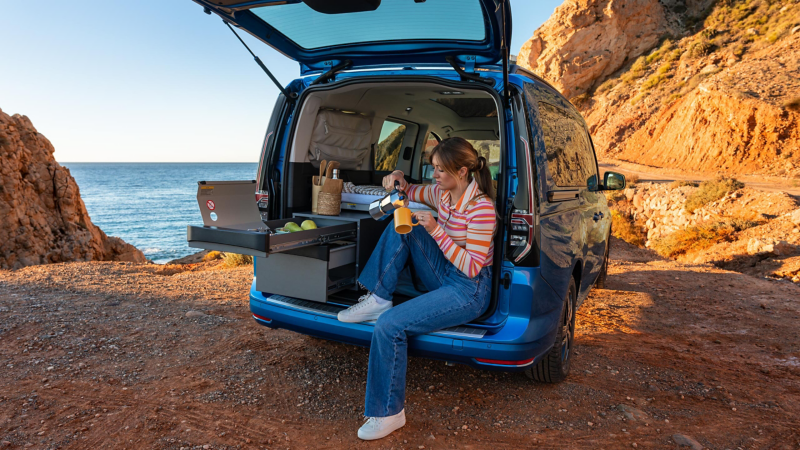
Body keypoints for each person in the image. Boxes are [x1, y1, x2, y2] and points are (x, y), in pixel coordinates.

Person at [337, 137, 498, 440]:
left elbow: (472, 267)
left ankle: (388, 414)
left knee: (388, 327)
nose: (434, 175)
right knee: (405, 221)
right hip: (446, 273)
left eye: (439, 169)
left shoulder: (482, 209)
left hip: (469, 289)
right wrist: (398, 178)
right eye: (433, 168)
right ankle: (380, 296)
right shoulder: (442, 193)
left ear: (462, 171)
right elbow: (410, 189)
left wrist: (436, 230)